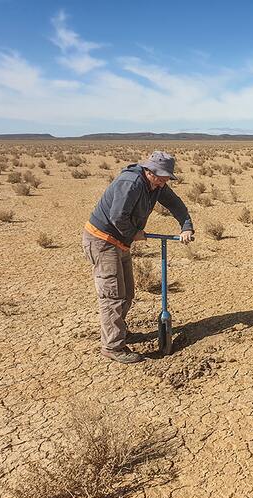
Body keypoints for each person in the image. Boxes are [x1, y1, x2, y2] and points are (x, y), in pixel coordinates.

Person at [82, 151, 194, 364]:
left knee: (127, 293)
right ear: (149, 171)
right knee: (112, 295)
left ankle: (118, 331)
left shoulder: (156, 185)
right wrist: (135, 233)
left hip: (119, 241)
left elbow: (176, 205)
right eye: (162, 177)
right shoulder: (131, 183)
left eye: (167, 177)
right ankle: (112, 346)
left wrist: (186, 226)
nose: (164, 182)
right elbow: (117, 216)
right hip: (102, 240)